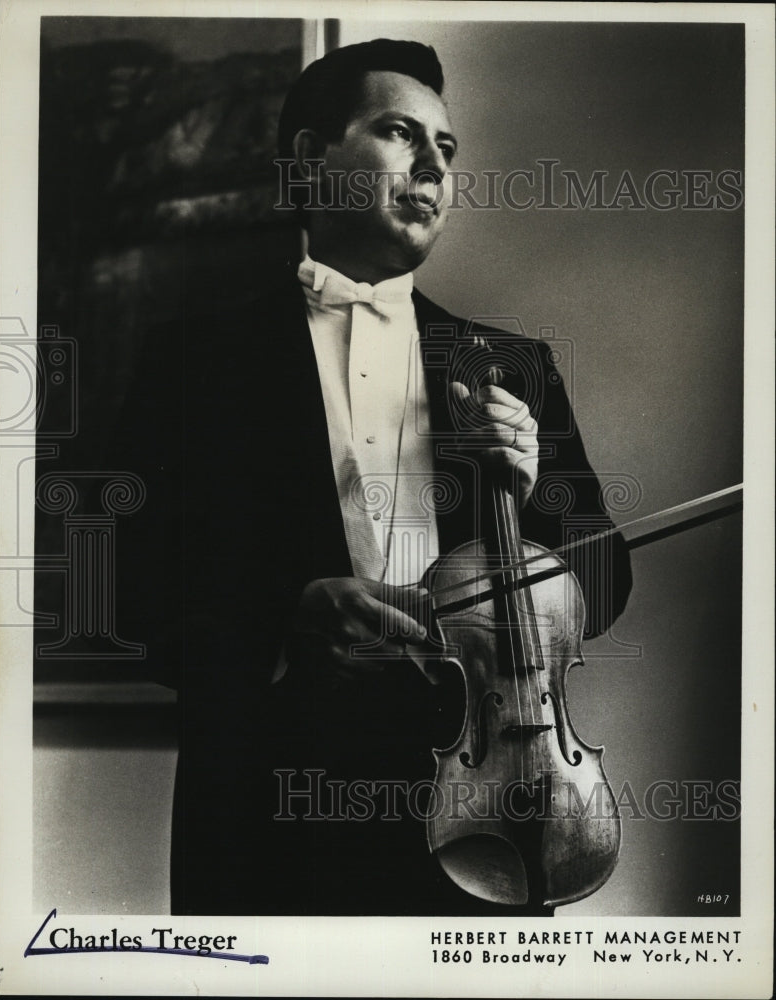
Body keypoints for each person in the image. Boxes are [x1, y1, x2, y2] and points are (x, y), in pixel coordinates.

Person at [113, 38, 632, 916]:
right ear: (313, 159)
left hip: (492, 803)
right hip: (264, 812)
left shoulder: (512, 364)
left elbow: (607, 584)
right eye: (400, 132)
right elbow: (125, 592)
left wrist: (537, 483)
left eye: (448, 148)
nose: (435, 164)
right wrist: (286, 616)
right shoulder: (192, 360)